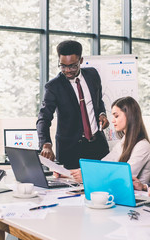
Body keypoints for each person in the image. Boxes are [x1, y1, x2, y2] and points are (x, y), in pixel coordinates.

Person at [37, 40, 109, 169]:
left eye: (72, 66)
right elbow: (43, 118)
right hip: (70, 150)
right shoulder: (53, 86)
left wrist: (102, 114)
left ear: (80, 61)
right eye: (63, 66)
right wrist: (46, 144)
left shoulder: (93, 75)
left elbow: (98, 101)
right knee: (71, 188)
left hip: (98, 145)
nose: (68, 71)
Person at [70, 97, 150, 183]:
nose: (113, 121)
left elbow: (123, 176)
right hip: (115, 190)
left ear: (129, 116)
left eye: (116, 116)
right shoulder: (124, 141)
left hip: (133, 194)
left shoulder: (142, 146)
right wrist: (71, 173)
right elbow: (103, 164)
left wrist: (87, 176)